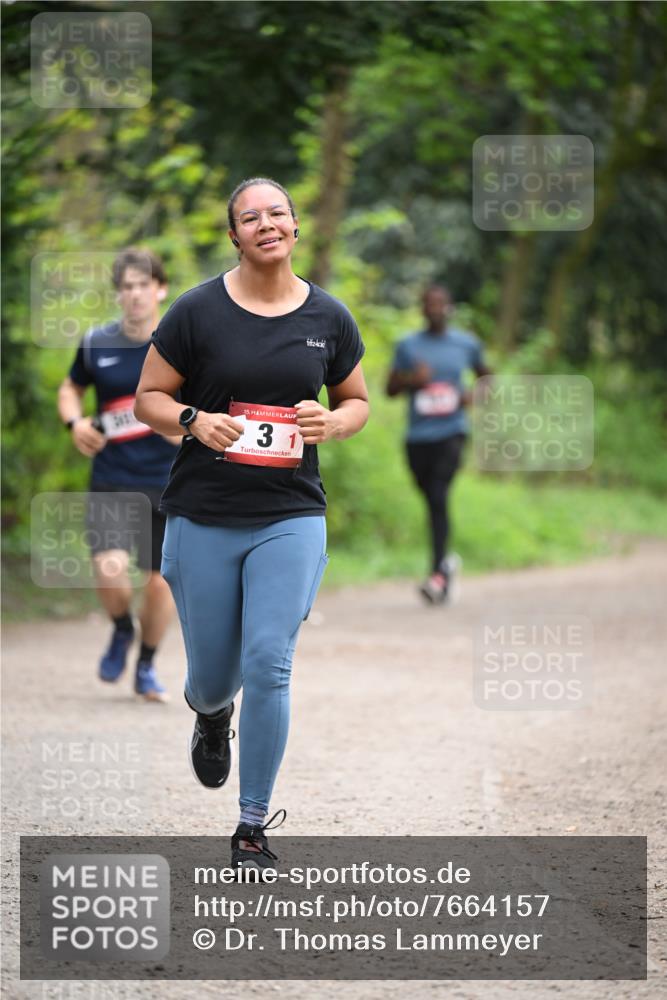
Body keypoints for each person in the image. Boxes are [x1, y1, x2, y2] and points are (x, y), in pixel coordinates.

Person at [134, 177, 369, 870]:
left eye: (277, 213)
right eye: (249, 216)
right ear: (233, 235)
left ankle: (251, 824)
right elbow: (149, 396)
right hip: (204, 512)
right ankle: (211, 716)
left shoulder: (329, 317)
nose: (266, 223)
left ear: (296, 227)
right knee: (211, 678)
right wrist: (192, 420)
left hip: (290, 513)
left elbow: (355, 400)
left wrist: (335, 421)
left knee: (270, 662)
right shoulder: (197, 312)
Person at [57, 248, 178, 702]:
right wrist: (76, 423)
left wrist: (184, 426)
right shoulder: (97, 343)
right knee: (109, 569)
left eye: (143, 285)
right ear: (119, 293)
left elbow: (208, 404)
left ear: (160, 289)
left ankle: (146, 665)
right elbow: (71, 387)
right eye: (126, 287)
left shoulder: (180, 344)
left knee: (159, 580)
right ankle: (123, 629)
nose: (134, 294)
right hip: (112, 475)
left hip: (168, 480)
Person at [386, 284, 490, 605]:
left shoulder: (466, 344)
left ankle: (437, 574)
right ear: (421, 309)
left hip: (452, 433)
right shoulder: (408, 345)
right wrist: (410, 381)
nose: (435, 310)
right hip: (418, 438)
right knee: (430, 498)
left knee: (439, 495)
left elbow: (487, 377)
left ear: (450, 308)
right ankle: (446, 562)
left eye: (441, 305)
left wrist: (472, 396)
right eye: (429, 305)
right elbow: (389, 389)